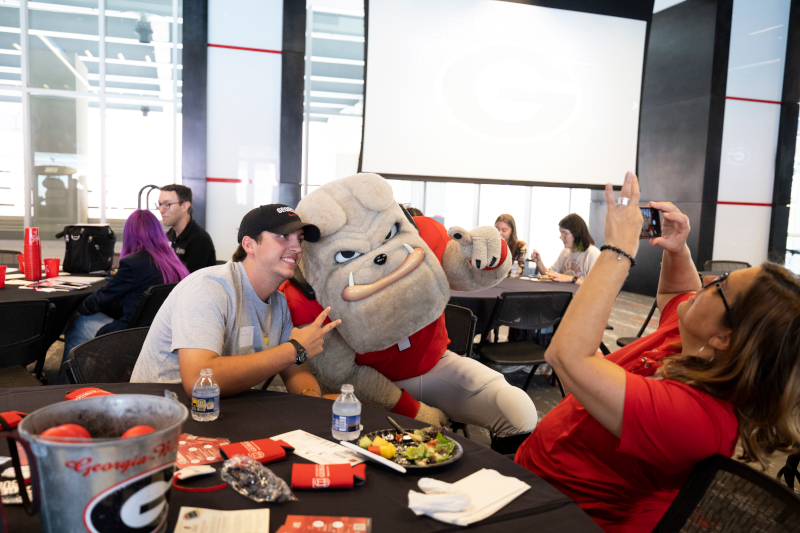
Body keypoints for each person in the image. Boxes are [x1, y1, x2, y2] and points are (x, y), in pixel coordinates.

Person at [515, 172, 800, 532]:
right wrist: (678, 248)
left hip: (561, 514)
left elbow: (567, 356)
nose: (709, 281)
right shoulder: (693, 342)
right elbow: (675, 295)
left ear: (724, 339)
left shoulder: (697, 418)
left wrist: (617, 252)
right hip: (538, 481)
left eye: (722, 287)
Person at [130, 204, 342, 400]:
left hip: (225, 408)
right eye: (284, 236)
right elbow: (199, 381)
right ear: (249, 244)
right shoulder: (208, 288)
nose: (297, 248)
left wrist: (314, 402)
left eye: (300, 239)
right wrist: (294, 349)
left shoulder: (279, 303)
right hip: (164, 412)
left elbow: (295, 368)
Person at [61, 209, 190, 376]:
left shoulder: (132, 264)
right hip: (163, 335)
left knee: (79, 323)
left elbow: (97, 301)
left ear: (129, 234)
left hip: (132, 337)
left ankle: (64, 386)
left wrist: (75, 311)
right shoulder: (173, 261)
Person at [158, 184, 217, 272]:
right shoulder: (170, 234)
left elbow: (188, 282)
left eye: (167, 204)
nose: (161, 210)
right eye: (160, 204)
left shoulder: (199, 240)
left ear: (185, 206)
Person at [530, 213, 599, 285]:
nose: (561, 237)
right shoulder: (566, 251)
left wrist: (570, 278)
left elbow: (596, 285)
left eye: (565, 233)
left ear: (577, 233)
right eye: (561, 233)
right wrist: (539, 262)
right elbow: (549, 275)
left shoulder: (592, 253)